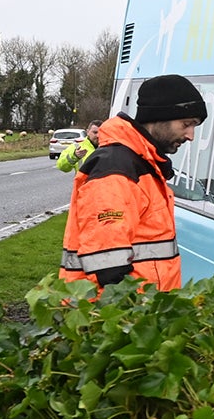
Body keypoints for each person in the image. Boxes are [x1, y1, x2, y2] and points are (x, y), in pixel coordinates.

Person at [59, 76, 206, 291]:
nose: (191, 135)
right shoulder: (117, 169)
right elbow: (108, 268)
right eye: (186, 124)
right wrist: (142, 318)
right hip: (113, 319)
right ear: (159, 116)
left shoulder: (140, 164)